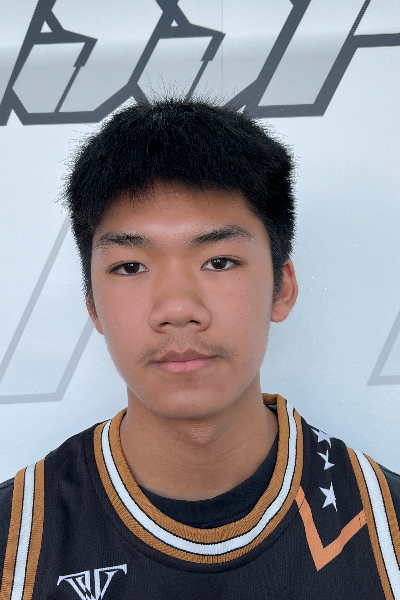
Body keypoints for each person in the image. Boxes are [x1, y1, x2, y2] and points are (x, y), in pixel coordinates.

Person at [0, 98, 399, 600]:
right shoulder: (17, 543)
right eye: (130, 267)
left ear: (282, 288)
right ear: (93, 306)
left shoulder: (387, 533)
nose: (177, 308)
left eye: (219, 261)